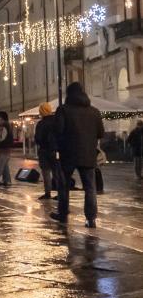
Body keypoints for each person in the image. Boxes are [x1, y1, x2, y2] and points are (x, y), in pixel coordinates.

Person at [50, 82, 104, 228]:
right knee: (90, 187)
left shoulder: (63, 110)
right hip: (88, 154)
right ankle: (91, 218)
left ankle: (62, 213)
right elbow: (101, 133)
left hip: (68, 154)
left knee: (64, 185)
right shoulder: (94, 111)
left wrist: (60, 146)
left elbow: (58, 131)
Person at [34, 102, 60, 199]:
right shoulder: (56, 121)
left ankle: (47, 192)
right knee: (56, 172)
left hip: (44, 151)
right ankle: (59, 193)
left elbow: (37, 138)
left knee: (46, 172)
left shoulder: (40, 124)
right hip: (55, 151)